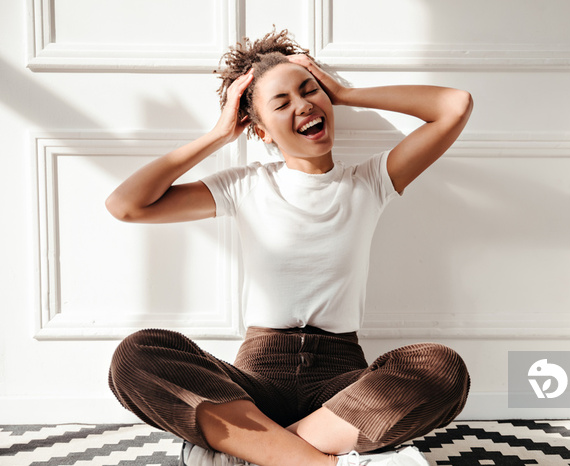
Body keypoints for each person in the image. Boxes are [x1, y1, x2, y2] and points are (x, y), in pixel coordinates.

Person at [106, 29, 473, 466]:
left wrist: (346, 92)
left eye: (310, 90)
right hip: (255, 381)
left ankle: (257, 451)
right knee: (135, 356)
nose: (303, 105)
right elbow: (126, 206)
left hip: (342, 386)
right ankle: (317, 460)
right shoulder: (244, 185)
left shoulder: (371, 181)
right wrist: (220, 135)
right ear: (260, 130)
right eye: (281, 104)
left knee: (442, 368)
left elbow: (454, 106)